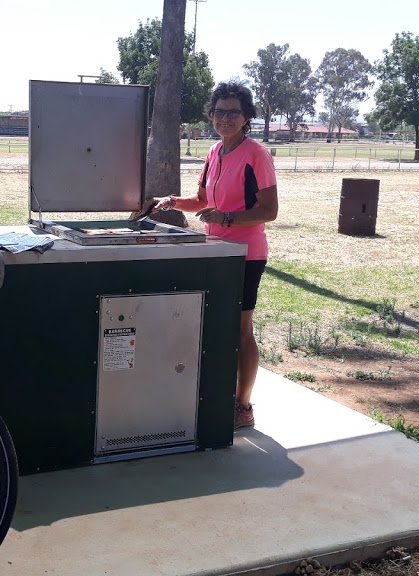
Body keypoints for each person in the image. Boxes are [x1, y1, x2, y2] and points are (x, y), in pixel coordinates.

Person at [150, 82, 279, 430]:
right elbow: (203, 201)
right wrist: (172, 202)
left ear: (247, 117)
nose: (225, 118)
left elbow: (270, 211)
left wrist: (228, 218)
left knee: (240, 330)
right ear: (211, 115)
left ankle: (243, 406)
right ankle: (215, 395)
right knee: (212, 327)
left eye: (233, 112)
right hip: (215, 252)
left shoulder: (257, 155)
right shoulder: (214, 153)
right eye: (219, 111)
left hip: (246, 255)